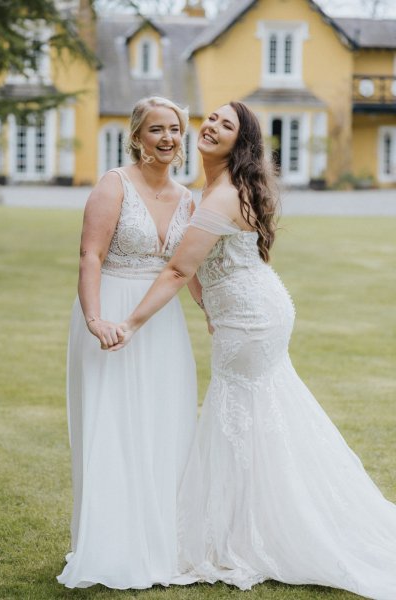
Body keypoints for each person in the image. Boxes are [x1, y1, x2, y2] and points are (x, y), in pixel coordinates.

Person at [106, 101, 396, 599]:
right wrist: (205, 308)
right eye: (212, 118)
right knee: (261, 415)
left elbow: (177, 269)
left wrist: (130, 321)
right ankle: (256, 519)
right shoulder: (217, 190)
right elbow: (197, 270)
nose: (213, 127)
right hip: (253, 310)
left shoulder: (220, 197)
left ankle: (248, 532)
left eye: (227, 125)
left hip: (250, 317)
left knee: (237, 414)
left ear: (241, 143)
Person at [57, 96, 200, 589]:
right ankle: (109, 544)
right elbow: (90, 256)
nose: (167, 138)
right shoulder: (112, 184)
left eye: (175, 129)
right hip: (112, 310)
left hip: (162, 321)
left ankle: (160, 543)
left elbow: (187, 269)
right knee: (111, 425)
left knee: (164, 425)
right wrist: (96, 317)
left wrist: (217, 313)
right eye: (156, 129)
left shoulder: (189, 198)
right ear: (137, 136)